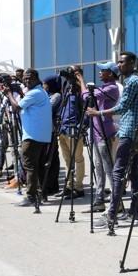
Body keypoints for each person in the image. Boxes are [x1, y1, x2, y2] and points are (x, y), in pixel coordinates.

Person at [88, 51, 138, 228]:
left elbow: (122, 107)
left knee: (117, 172)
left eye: (122, 62)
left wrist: (97, 112)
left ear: (131, 63)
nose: (119, 65)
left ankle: (112, 214)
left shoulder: (132, 82)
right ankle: (134, 210)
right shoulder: (136, 82)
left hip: (129, 131)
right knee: (134, 172)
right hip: (134, 131)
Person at [4, 69, 52, 207]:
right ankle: (42, 194)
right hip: (40, 135)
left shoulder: (35, 93)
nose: (26, 80)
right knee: (38, 166)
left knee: (29, 166)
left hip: (32, 136)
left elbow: (16, 107)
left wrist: (8, 94)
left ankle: (31, 196)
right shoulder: (39, 92)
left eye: (29, 78)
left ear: (37, 78)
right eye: (24, 78)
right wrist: (18, 92)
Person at [77, 62, 120, 212]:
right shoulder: (103, 87)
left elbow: (86, 96)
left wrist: (81, 80)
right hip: (96, 132)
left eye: (103, 70)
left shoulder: (112, 88)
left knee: (108, 169)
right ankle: (99, 201)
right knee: (98, 169)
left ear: (111, 73)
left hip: (104, 133)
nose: (100, 73)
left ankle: (117, 204)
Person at [55, 65, 85, 199]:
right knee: (67, 160)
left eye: (72, 72)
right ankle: (69, 186)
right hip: (63, 128)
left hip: (74, 128)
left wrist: (82, 126)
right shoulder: (67, 86)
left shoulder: (81, 89)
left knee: (78, 159)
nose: (69, 74)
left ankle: (79, 188)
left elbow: (86, 108)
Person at [41, 75, 62, 196]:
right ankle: (51, 185)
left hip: (51, 131)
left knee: (50, 159)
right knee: (50, 159)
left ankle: (50, 185)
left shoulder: (56, 96)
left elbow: (47, 109)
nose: (43, 86)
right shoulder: (48, 96)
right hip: (46, 130)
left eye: (45, 84)